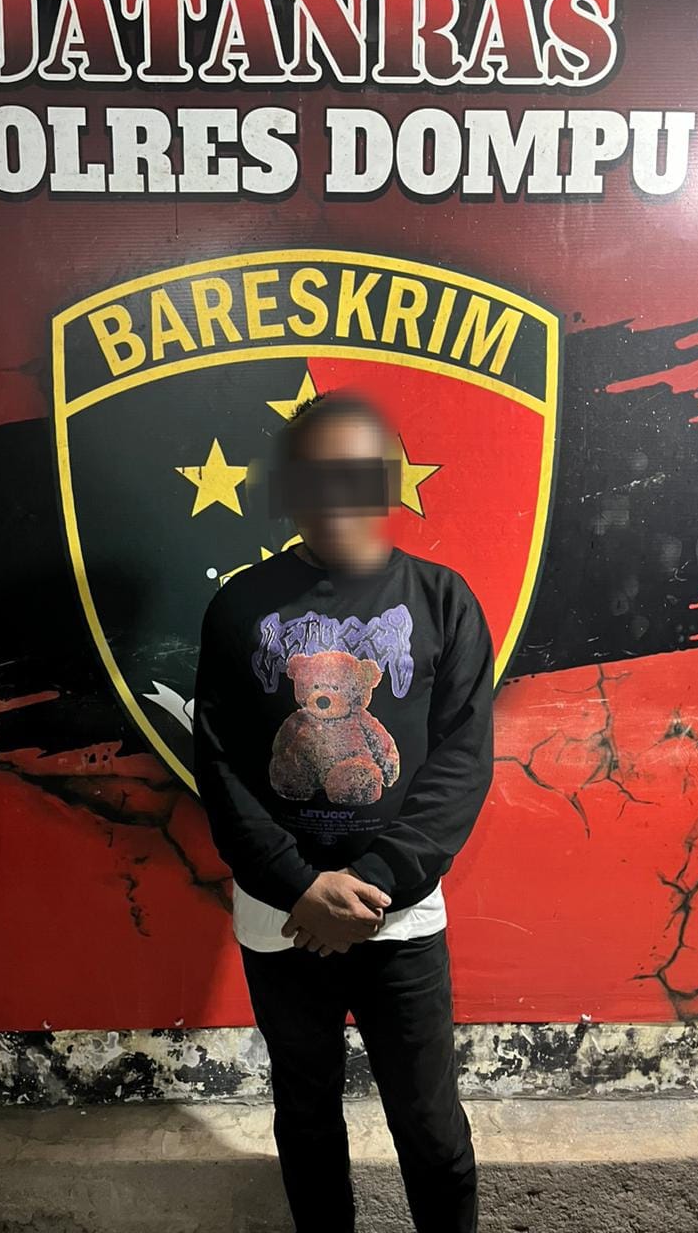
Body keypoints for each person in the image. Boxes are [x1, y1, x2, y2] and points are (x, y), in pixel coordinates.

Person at [192, 387, 495, 1233]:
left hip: (401, 917)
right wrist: (298, 885)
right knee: (307, 1118)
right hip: (281, 918)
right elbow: (220, 765)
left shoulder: (442, 599)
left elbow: (462, 761)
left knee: (432, 1130)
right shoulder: (240, 605)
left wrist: (377, 881)